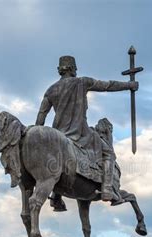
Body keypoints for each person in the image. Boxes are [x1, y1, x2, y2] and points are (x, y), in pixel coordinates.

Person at [36, 56, 138, 207]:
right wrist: (129, 85)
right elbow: (108, 86)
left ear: (60, 70)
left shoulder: (51, 90)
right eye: (75, 68)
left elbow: (41, 116)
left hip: (59, 134)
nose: (76, 71)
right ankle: (108, 190)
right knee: (108, 152)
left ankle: (55, 196)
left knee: (57, 159)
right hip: (81, 133)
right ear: (72, 69)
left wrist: (39, 135)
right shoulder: (82, 82)